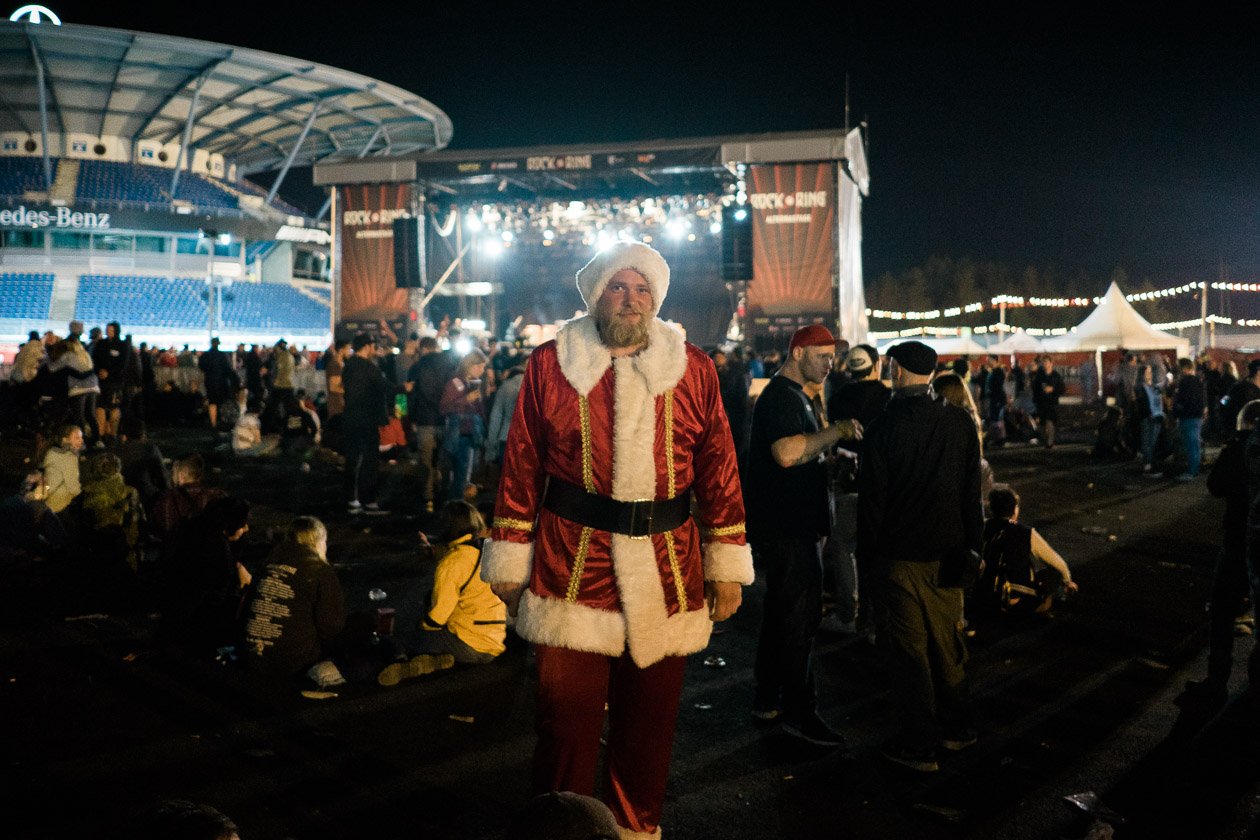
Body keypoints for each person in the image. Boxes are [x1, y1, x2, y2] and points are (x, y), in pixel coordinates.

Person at [479, 240, 753, 838]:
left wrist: (726, 561)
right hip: (570, 565)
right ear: (596, 293)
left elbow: (718, 466)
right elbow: (522, 464)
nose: (631, 300)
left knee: (648, 727)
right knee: (564, 725)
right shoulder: (550, 364)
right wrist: (508, 554)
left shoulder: (695, 368)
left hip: (669, 568)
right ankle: (564, 829)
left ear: (657, 298)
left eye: (643, 289)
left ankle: (634, 831)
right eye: (618, 287)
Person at [857, 339, 983, 773]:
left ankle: (920, 742)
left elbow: (872, 505)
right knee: (948, 644)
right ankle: (958, 728)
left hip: (900, 558)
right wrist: (975, 548)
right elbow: (972, 495)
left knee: (910, 653)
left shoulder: (882, 429)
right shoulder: (959, 423)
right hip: (949, 553)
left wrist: (867, 561)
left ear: (896, 370)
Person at [747, 325, 862, 745]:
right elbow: (785, 452)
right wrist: (838, 432)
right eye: (822, 356)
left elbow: (800, 454)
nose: (830, 364)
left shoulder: (796, 397)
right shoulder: (781, 397)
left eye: (833, 357)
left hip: (793, 526)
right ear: (797, 354)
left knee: (782, 615)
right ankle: (800, 711)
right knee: (799, 621)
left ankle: (768, 698)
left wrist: (827, 461)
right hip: (789, 529)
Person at [1185, 400, 1260, 704]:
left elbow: (1215, 485)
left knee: (1222, 611)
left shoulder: (1239, 449)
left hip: (1238, 541)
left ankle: (1217, 682)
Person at [822, 343, 890, 637]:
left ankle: (849, 610)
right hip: (882, 486)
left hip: (847, 481)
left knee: (843, 547)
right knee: (879, 552)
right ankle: (876, 615)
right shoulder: (889, 399)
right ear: (876, 365)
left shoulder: (838, 398)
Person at [243, 515, 346, 679]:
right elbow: (331, 627)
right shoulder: (319, 570)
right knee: (361, 626)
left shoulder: (267, 564)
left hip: (253, 657)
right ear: (318, 542)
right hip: (293, 662)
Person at [159, 496, 253, 658]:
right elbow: (214, 595)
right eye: (242, 524)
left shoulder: (192, 529)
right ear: (230, 524)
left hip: (170, 613)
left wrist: (236, 566)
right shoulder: (218, 549)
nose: (245, 529)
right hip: (193, 628)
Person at [416, 500, 507, 663]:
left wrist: (422, 624)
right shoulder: (486, 551)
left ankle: (436, 660)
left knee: (420, 632)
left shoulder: (453, 562)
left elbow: (438, 617)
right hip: (494, 643)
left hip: (468, 645)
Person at [978, 487, 1078, 615]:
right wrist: (1067, 581)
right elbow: (1057, 563)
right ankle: (1040, 609)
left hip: (984, 595)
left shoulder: (983, 527)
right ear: (1014, 509)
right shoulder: (1025, 532)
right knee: (1054, 574)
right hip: (1014, 598)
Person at [342, 333, 393, 515]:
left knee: (353, 460)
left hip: (351, 419)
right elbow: (385, 386)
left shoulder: (349, 366)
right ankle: (368, 501)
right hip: (367, 420)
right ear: (368, 346)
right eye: (373, 345)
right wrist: (405, 388)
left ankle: (352, 500)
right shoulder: (368, 367)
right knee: (370, 461)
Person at [78, 451, 145, 572]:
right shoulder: (130, 492)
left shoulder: (86, 494)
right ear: (118, 468)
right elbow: (141, 524)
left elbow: (82, 529)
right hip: (127, 557)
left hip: (96, 558)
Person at [406, 336, 450, 513]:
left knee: (425, 461)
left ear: (423, 348)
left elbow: (410, 395)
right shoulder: (449, 364)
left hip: (424, 420)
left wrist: (410, 418)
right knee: (443, 460)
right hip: (445, 419)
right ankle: (445, 496)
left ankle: (428, 498)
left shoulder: (416, 367)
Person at [440, 349, 488, 501]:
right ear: (471, 366)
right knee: (460, 475)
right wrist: (467, 399)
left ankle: (456, 506)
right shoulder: (455, 383)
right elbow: (444, 407)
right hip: (460, 435)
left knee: (465, 473)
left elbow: (480, 411)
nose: (483, 370)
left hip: (471, 434)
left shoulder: (473, 383)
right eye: (480, 366)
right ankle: (456, 508)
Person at [151, 454, 225, 539]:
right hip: (208, 550)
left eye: (173, 472)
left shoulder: (167, 500)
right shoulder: (216, 496)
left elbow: (156, 529)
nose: (171, 476)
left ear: (181, 476)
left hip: (176, 550)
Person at [92, 321, 128, 440]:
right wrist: (99, 372)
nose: (108, 331)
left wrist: (109, 373)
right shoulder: (101, 343)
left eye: (111, 330)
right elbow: (95, 360)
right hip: (101, 382)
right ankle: (100, 434)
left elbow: (122, 365)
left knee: (114, 408)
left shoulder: (123, 345)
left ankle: (113, 434)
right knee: (100, 407)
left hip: (115, 382)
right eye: (107, 329)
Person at [1172, 357, 1206, 480]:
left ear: (1184, 368)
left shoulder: (1185, 382)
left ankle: (1192, 471)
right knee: (1195, 444)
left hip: (1188, 416)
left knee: (1191, 444)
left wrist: (1176, 410)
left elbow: (1183, 400)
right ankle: (1194, 468)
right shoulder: (1199, 381)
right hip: (1197, 416)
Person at [42, 423, 84, 514]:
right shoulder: (69, 457)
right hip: (61, 504)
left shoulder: (52, 452)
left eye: (81, 437)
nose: (81, 441)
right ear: (65, 440)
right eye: (77, 438)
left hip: (49, 500)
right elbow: (73, 487)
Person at [198, 337, 237, 432]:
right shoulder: (223, 355)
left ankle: (213, 423)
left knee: (212, 402)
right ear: (218, 344)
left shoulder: (205, 355)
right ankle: (222, 421)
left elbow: (201, 367)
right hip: (221, 382)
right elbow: (228, 369)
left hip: (209, 381)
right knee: (221, 402)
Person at [1133, 365, 1166, 475]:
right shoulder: (1140, 387)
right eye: (1147, 372)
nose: (1149, 374)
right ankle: (1147, 465)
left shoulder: (1154, 386)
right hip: (1148, 417)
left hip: (1157, 416)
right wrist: (1148, 413)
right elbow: (1141, 403)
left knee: (1153, 442)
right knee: (1147, 442)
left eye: (1150, 372)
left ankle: (1150, 463)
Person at [1030, 355, 1065, 449]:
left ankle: (1050, 442)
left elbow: (1062, 389)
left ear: (1051, 363)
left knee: (1050, 422)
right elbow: (1035, 389)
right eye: (1043, 363)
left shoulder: (1056, 376)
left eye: (1046, 362)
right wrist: (1036, 401)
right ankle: (1046, 440)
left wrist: (1053, 389)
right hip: (1041, 403)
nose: (1045, 364)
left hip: (1052, 403)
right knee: (1042, 423)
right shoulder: (1040, 376)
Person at [1222, 359, 1260, 437]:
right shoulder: (1240, 388)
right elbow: (1223, 402)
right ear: (1258, 372)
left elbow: (1223, 402)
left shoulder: (1236, 387)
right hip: (1244, 435)